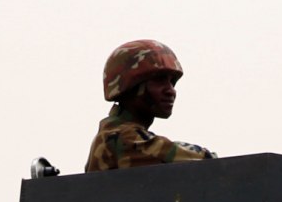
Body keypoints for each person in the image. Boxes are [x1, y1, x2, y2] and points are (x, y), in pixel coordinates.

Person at [86, 40, 215, 172]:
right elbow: (203, 160)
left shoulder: (114, 132)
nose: (170, 91)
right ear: (131, 86)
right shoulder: (122, 137)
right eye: (159, 80)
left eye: (172, 82)